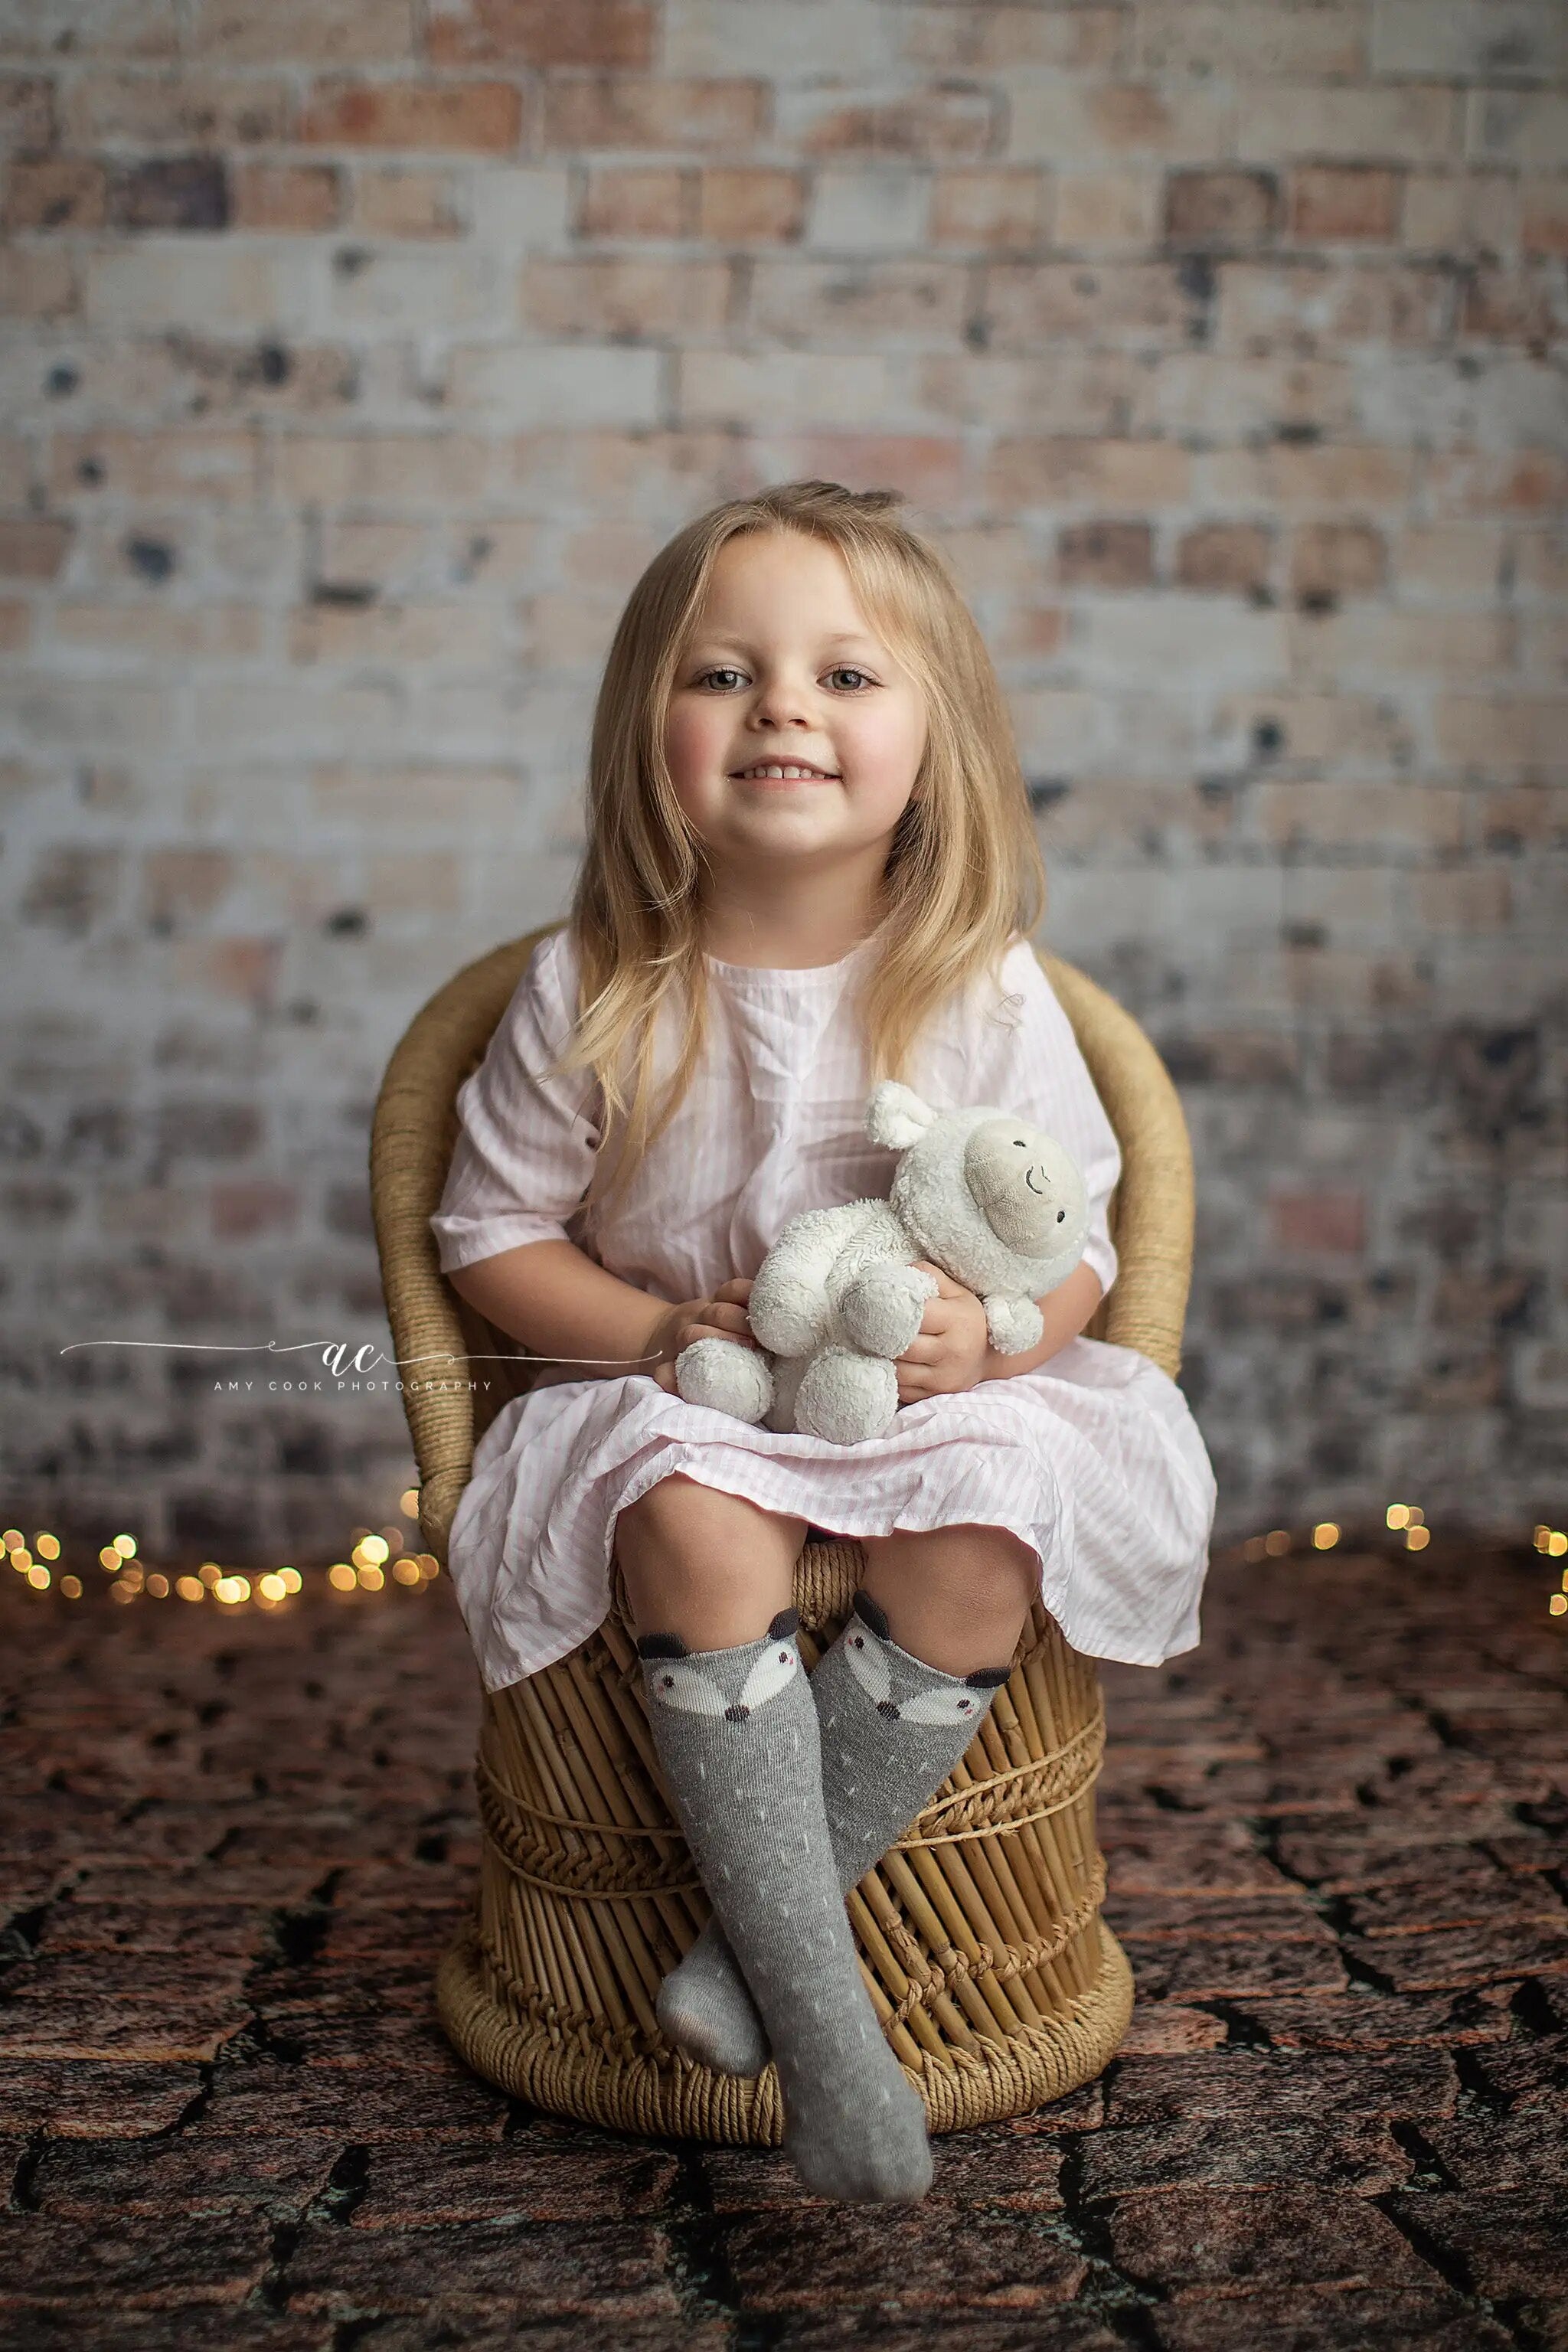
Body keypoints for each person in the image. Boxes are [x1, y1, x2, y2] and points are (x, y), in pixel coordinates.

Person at [429, 480, 1217, 2204]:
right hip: (687, 1401)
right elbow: (489, 1235)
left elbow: (1078, 1236)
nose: (780, 705)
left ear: (936, 747)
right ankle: (834, 2030)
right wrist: (645, 1329)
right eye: (722, 674)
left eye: (846, 677)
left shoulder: (980, 984)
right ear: (650, 731)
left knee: (992, 1528)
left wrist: (996, 1347)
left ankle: (744, 1968)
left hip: (921, 1406)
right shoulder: (597, 988)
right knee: (688, 1520)